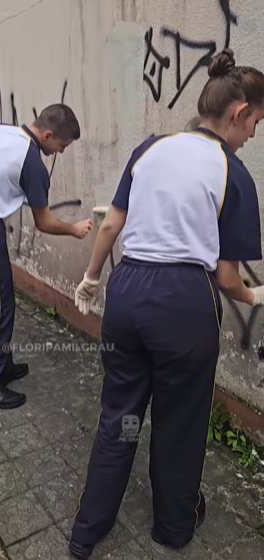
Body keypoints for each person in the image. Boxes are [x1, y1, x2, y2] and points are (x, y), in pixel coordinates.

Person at [69, 50, 264, 558]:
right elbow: (226, 278)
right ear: (239, 113)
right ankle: (173, 528)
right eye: (257, 124)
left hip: (127, 294)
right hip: (183, 306)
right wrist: (254, 294)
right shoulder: (233, 172)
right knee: (180, 421)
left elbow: (111, 225)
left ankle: (87, 530)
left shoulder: (149, 148)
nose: (253, 136)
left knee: (121, 413)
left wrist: (91, 280)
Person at [0, 104, 92, 410]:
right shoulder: (33, 164)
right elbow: (44, 222)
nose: (60, 152)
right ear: (48, 134)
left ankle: (0, 364)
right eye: (61, 146)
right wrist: (74, 230)